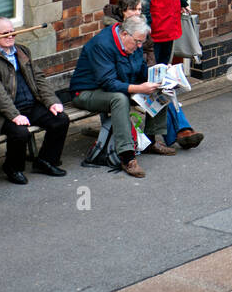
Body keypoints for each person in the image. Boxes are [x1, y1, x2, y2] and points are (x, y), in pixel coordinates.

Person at [69, 15, 188, 177]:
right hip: (86, 92)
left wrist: (162, 75)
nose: (139, 46)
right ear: (124, 34)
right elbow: (108, 83)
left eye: (141, 42)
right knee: (119, 99)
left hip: (119, 85)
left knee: (160, 87)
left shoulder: (133, 44)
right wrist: (139, 88)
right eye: (137, 42)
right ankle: (127, 156)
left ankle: (150, 141)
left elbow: (140, 70)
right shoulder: (102, 45)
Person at [0, 17, 71, 183]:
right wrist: (14, 115)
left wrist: (52, 101)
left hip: (29, 104)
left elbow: (38, 78)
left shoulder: (22, 51)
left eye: (13, 33)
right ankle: (13, 168)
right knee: (20, 132)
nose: (11, 36)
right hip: (0, 112)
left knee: (60, 120)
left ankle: (46, 160)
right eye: (6, 34)